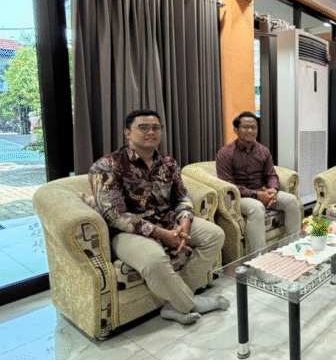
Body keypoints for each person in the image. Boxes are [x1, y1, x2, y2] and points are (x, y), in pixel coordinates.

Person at [89, 109, 228, 325]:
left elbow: (182, 197)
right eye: (143, 127)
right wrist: (160, 234)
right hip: (127, 232)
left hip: (168, 220)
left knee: (215, 235)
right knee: (154, 259)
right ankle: (188, 303)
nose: (151, 132)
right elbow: (114, 215)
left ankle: (175, 304)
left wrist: (185, 224)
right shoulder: (107, 165)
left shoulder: (168, 162)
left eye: (156, 127)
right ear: (128, 133)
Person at [216, 111, 302, 259]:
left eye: (254, 127)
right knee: (256, 208)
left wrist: (273, 190)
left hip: (263, 192)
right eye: (245, 127)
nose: (250, 131)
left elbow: (271, 175)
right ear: (236, 129)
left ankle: (293, 250)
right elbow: (228, 185)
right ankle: (260, 260)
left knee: (291, 201)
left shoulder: (263, 151)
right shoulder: (225, 154)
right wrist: (256, 195)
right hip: (240, 197)